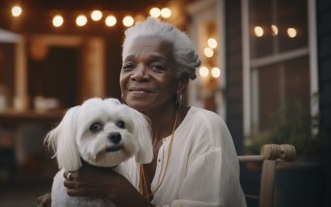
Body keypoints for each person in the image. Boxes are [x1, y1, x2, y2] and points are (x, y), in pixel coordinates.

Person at [37, 17, 246, 207]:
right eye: (129, 66)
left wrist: (118, 190)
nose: (138, 75)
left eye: (156, 67)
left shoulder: (205, 129)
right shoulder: (123, 130)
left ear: (180, 84)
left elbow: (114, 189)